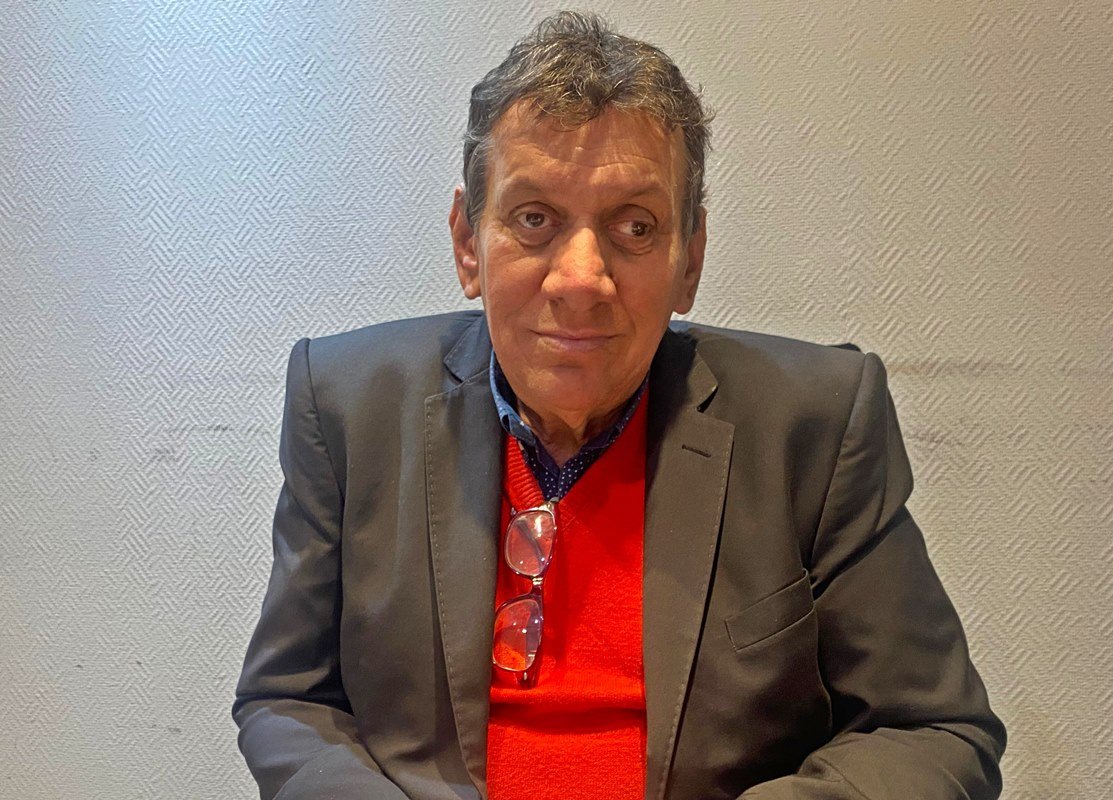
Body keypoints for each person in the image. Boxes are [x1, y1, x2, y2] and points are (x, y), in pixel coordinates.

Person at [233, 12, 1005, 800]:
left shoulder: (815, 425)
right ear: (468, 243)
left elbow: (933, 732)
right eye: (534, 220)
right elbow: (290, 701)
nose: (581, 278)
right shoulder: (348, 407)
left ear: (689, 259)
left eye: (635, 226)